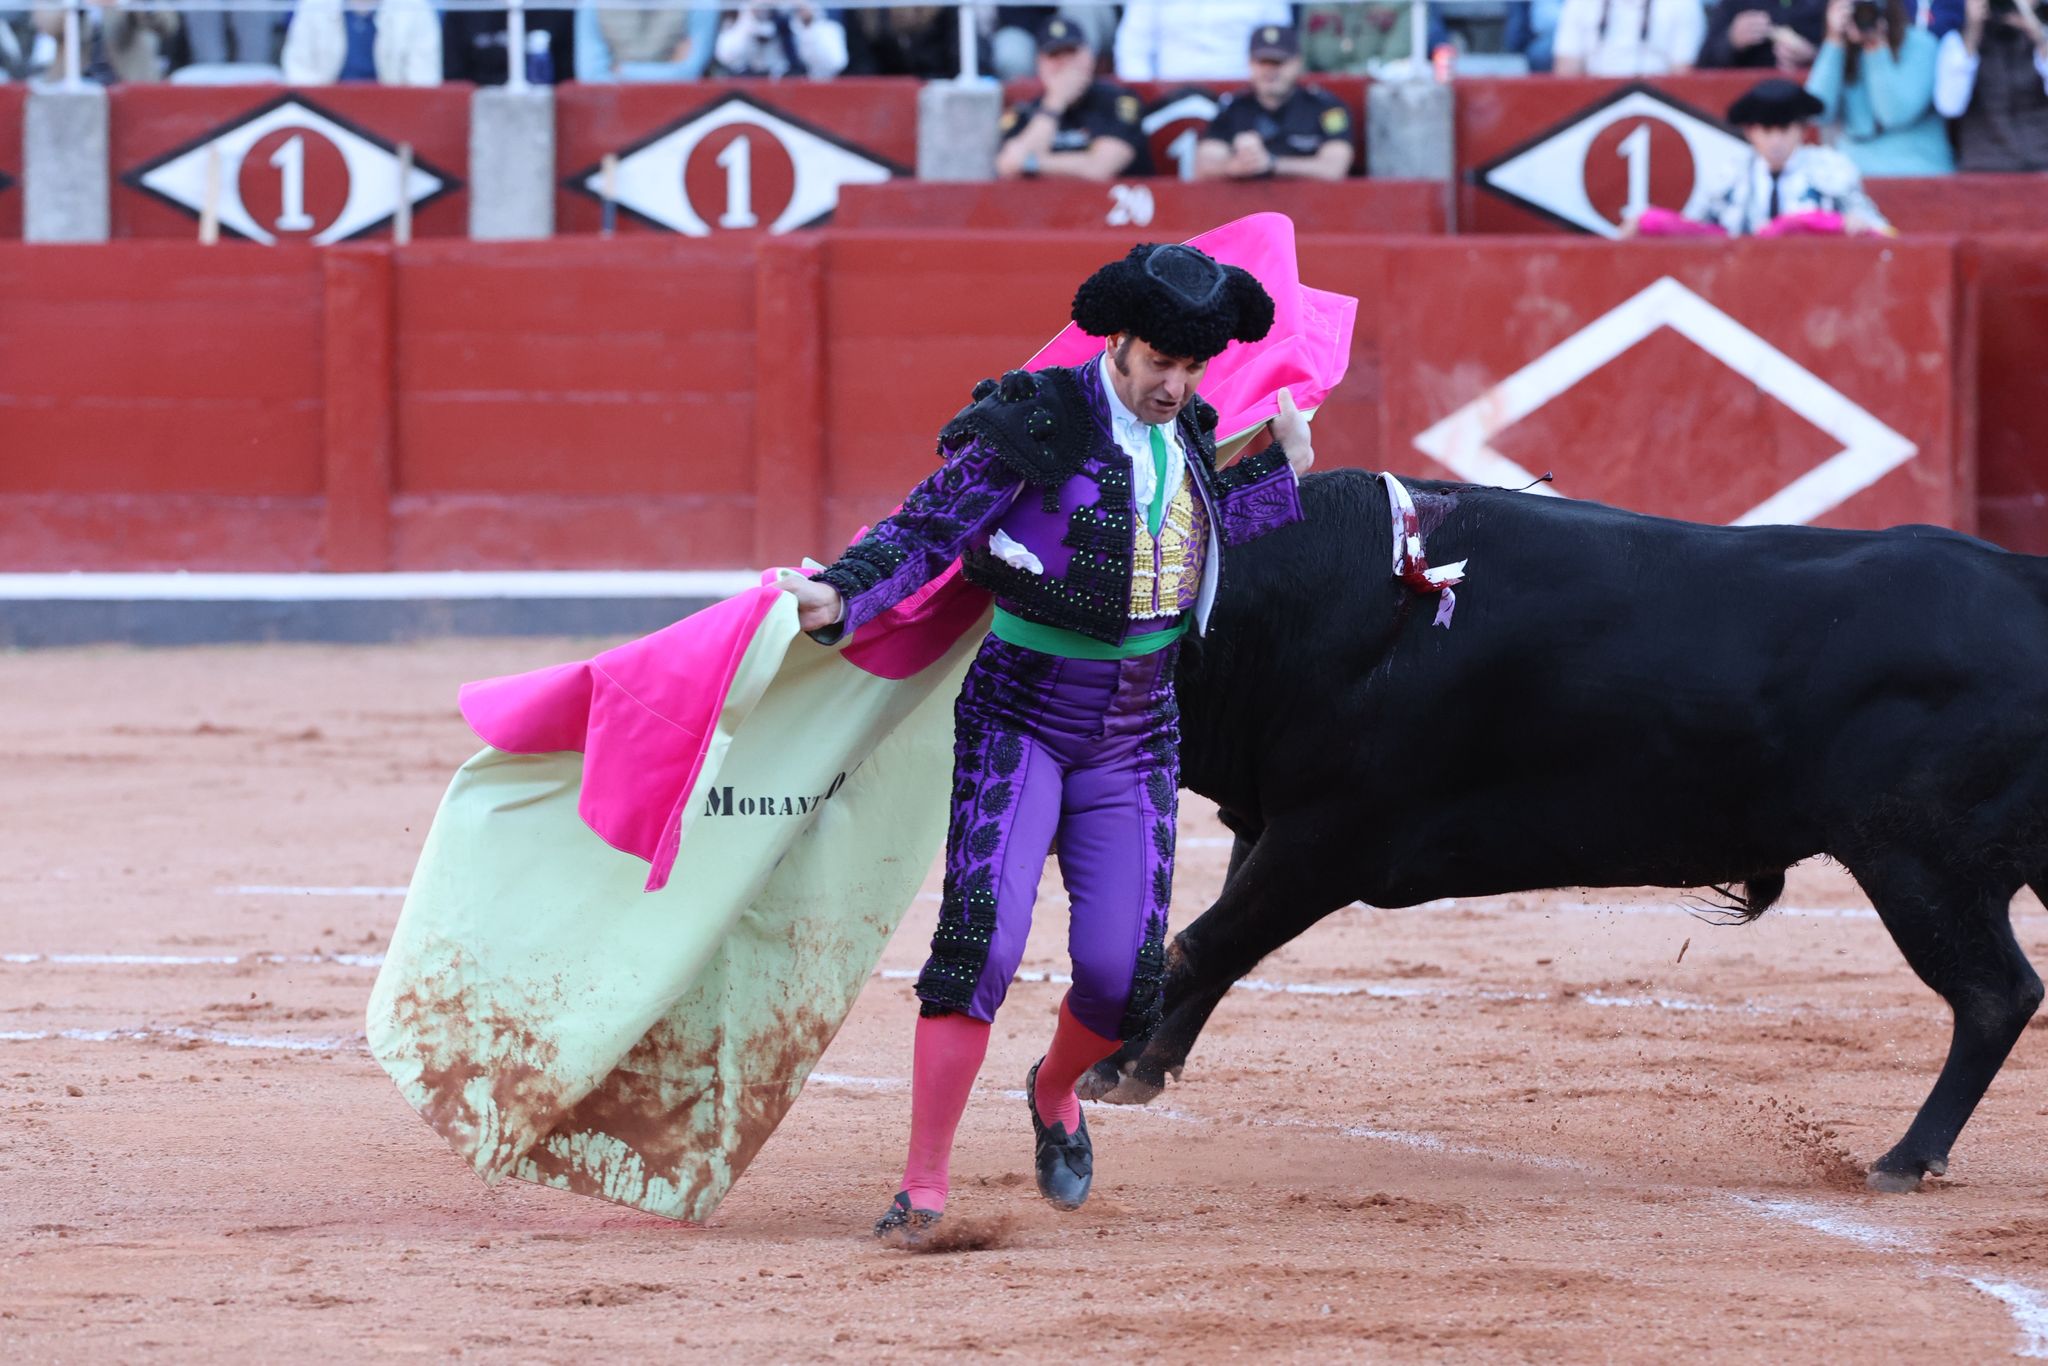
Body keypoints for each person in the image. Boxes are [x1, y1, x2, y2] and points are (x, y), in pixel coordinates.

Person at [783, 243, 1315, 1244]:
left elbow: (1193, 541)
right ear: (1117, 342)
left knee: (1124, 978)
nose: (1175, 385)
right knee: (978, 942)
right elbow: (928, 528)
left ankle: (1054, 1089)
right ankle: (923, 1183)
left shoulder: (1191, 431)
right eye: (1159, 362)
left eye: (1191, 367)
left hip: (1138, 730)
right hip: (1019, 717)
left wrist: (1281, 470)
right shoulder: (1034, 419)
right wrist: (841, 593)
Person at [1678, 77, 1891, 232]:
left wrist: (1854, 224)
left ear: (1802, 130)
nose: (1776, 142)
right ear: (1750, 133)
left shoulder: (1832, 171)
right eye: (1767, 131)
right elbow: (1696, 234)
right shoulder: (1728, 176)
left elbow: (1877, 230)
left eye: (1784, 130)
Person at [995, 17, 1152, 181]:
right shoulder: (1025, 112)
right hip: (1044, 198)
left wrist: (1031, 164)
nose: (1064, 63)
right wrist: (1055, 102)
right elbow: (1008, 166)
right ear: (1040, 64)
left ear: (1089, 57)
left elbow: (1100, 167)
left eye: (1071, 52)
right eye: (1054, 55)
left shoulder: (1118, 101)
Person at [1805, 0, 1954, 172]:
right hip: (1853, 170)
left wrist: (1875, 47)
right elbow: (1816, 113)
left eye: (1868, 8)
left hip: (1916, 169)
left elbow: (1894, 114)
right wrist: (1833, 41)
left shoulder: (1922, 45)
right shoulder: (1842, 51)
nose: (1862, 15)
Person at [1196, 25, 1356, 182]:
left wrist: (1272, 164)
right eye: (1262, 62)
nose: (1269, 71)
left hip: (1311, 198)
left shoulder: (1325, 107)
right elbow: (1203, 165)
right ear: (1250, 63)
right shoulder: (1233, 108)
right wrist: (1234, 166)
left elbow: (1334, 168)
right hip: (1246, 199)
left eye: (1278, 62)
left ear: (1297, 63)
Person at [1934, 0, 2048, 169]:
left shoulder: (2041, 38)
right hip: (1985, 166)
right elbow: (1950, 106)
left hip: (2042, 164)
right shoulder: (1958, 42)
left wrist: (2039, 33)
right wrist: (1972, 30)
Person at [1114, 0, 1295, 80]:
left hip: (1244, 96)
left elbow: (1280, 41)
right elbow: (1133, 47)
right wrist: (1146, 94)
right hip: (1169, 92)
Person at [281, 0, 442, 85]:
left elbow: (423, 80)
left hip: (393, 116)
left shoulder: (416, 9)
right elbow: (297, 72)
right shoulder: (313, 6)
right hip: (326, 113)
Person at [30, 0, 177, 82]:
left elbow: (168, 24)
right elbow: (46, 25)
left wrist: (134, 4)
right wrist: (78, 5)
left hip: (130, 80)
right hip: (72, 83)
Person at [574, 1, 718, 81]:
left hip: (682, 108)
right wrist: (672, 70)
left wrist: (620, 70)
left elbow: (689, 73)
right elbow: (591, 77)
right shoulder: (592, 4)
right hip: (614, 107)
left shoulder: (702, 3)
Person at [1552, 0, 1707, 74]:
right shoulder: (1580, 3)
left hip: (1659, 102)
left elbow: (1682, 74)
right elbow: (1566, 71)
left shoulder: (1683, 4)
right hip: (1593, 103)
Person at [713, 3, 848, 78]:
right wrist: (751, 18)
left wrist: (808, 23)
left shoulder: (818, 13)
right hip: (753, 89)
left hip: (796, 91)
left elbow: (834, 62)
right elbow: (727, 57)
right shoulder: (740, 12)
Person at [1699, 0, 1827, 67]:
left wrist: (1813, 58)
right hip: (1747, 97)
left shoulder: (1825, 4)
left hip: (1807, 96)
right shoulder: (1736, 3)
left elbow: (1838, 63)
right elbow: (1703, 64)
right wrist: (1731, 40)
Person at [1301, 1, 1417, 73]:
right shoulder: (1316, 4)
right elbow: (1301, 59)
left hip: (1380, 92)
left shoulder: (1402, 4)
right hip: (1317, 93)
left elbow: (1393, 60)